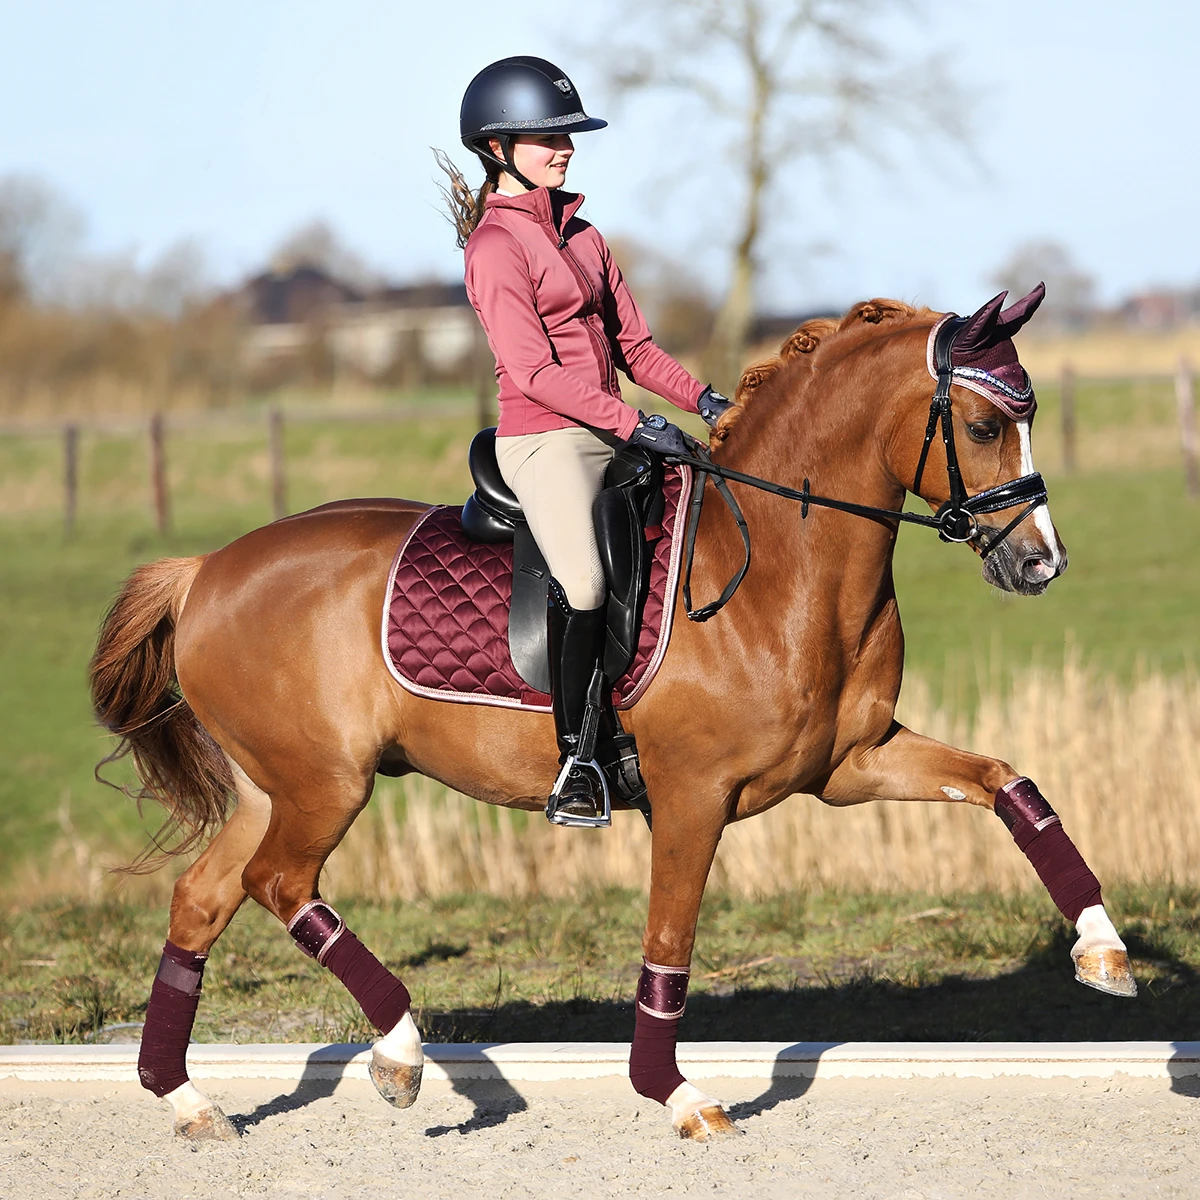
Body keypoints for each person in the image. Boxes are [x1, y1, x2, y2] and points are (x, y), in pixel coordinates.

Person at [439, 55, 733, 826]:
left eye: (569, 133)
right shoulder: (495, 248)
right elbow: (533, 372)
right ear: (498, 146)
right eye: (548, 136)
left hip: (610, 425)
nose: (565, 145)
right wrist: (636, 422)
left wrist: (707, 401)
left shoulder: (586, 235)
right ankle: (577, 760)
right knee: (586, 584)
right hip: (546, 441)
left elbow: (635, 348)